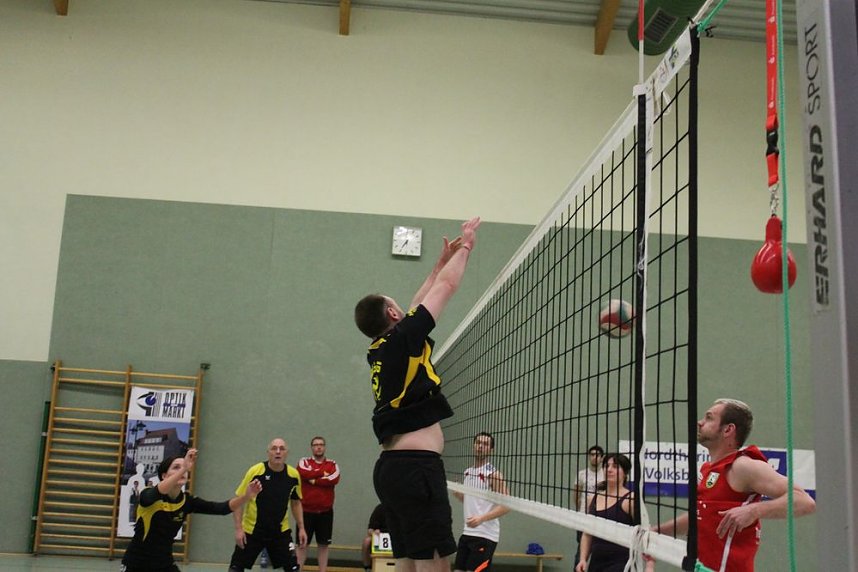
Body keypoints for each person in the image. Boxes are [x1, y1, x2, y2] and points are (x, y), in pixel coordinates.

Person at [354, 216, 481, 572]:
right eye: (400, 307)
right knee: (436, 564)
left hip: (392, 472)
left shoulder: (382, 348)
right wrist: (467, 244)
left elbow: (418, 302)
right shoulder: (403, 340)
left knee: (410, 561)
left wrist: (439, 262)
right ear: (394, 314)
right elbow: (444, 289)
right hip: (416, 470)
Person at [654, 398, 816, 571]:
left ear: (728, 430)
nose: (700, 423)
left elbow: (805, 501)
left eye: (709, 418)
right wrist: (656, 531)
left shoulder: (742, 465)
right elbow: (700, 517)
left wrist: (754, 510)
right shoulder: (708, 469)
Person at [121, 448, 261, 572]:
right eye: (176, 467)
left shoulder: (187, 501)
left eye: (184, 468)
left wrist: (246, 496)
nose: (182, 471)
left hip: (163, 564)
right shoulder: (148, 495)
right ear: (164, 476)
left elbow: (222, 508)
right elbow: (159, 491)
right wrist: (184, 468)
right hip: (136, 564)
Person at [229, 438, 308, 572]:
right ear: (268, 452)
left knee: (293, 568)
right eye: (274, 448)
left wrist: (301, 528)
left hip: (280, 532)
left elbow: (295, 502)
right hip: (252, 531)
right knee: (236, 568)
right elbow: (238, 500)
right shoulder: (256, 471)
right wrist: (238, 529)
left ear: (287, 453)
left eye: (282, 448)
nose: (278, 452)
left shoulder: (293, 475)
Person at [452, 432, 510, 572]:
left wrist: (481, 518)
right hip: (468, 533)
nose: (480, 446)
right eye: (478, 443)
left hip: (485, 535)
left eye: (485, 444)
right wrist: (459, 494)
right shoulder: (468, 472)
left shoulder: (493, 474)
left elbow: (507, 505)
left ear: (491, 450)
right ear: (474, 445)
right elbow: (473, 502)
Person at [575, 453, 636, 572]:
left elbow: (642, 534)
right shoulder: (592, 499)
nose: (609, 469)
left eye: (615, 466)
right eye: (606, 466)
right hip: (596, 562)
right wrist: (583, 559)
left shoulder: (631, 499)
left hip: (621, 563)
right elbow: (587, 534)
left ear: (625, 473)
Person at [296, 436, 341, 572]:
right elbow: (302, 472)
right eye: (315, 445)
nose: (319, 447)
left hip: (325, 512)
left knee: (323, 545)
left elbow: (334, 478)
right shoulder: (304, 462)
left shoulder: (333, 464)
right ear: (312, 447)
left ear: (325, 447)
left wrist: (314, 480)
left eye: (321, 444)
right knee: (302, 544)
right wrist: (322, 474)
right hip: (305, 511)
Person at [572, 445, 604, 564]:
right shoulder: (581, 474)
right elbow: (576, 494)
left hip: (600, 517)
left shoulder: (606, 474)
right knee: (581, 551)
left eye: (597, 455)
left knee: (599, 549)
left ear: (601, 457)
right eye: (592, 454)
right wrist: (581, 511)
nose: (594, 457)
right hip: (583, 517)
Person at [361, 503, 389, 572]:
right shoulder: (380, 508)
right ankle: (367, 567)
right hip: (380, 538)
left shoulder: (402, 509)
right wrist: (374, 533)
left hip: (398, 538)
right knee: (366, 541)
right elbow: (370, 529)